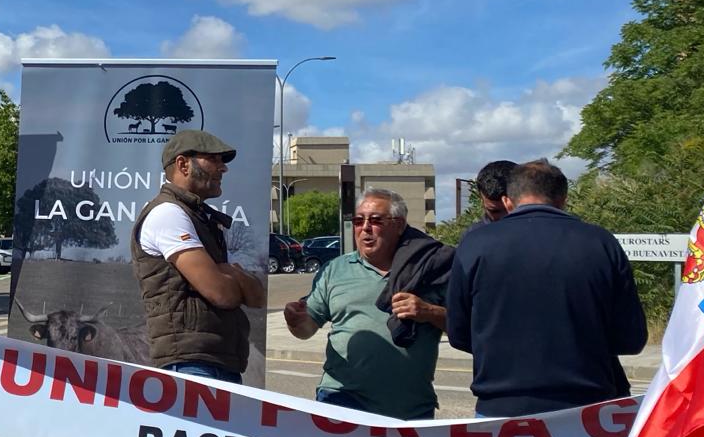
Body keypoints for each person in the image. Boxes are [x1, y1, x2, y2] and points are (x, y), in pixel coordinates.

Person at [446, 159, 647, 417]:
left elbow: (459, 333)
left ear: (508, 201)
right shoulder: (600, 243)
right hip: (589, 409)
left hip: (500, 406)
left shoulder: (475, 245)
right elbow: (631, 338)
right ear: (563, 198)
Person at [282, 188, 449, 420]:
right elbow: (306, 329)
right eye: (359, 221)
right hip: (341, 400)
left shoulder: (432, 268)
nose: (365, 228)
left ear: (399, 225)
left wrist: (429, 312)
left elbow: (464, 326)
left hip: (409, 409)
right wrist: (295, 321)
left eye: (376, 220)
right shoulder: (335, 270)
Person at [129, 129, 264, 384]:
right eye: (213, 159)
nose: (223, 168)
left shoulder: (197, 216)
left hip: (212, 362)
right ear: (183, 164)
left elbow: (258, 296)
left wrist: (230, 273)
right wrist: (233, 276)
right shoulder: (168, 214)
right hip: (191, 366)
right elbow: (221, 293)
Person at [462, 159, 516, 239]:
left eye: (513, 208)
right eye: (495, 211)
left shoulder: (539, 230)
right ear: (481, 199)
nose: (505, 218)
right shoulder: (473, 237)